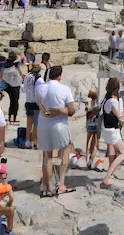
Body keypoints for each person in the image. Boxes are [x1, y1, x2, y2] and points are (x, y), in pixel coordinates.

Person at [37, 65, 76, 197]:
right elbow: (71, 111)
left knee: (47, 157)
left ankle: (47, 187)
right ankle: (61, 184)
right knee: (65, 153)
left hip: (43, 124)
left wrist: (46, 111)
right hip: (59, 124)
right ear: (60, 75)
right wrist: (59, 110)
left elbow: (40, 105)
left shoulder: (40, 88)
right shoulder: (64, 89)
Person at [99, 77, 124, 188]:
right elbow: (119, 116)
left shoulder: (106, 98)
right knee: (123, 153)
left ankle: (110, 173)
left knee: (112, 148)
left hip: (106, 129)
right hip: (112, 131)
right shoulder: (113, 101)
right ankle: (107, 176)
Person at [0, 52, 24, 125]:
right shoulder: (15, 65)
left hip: (8, 85)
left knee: (11, 101)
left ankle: (10, 117)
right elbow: (20, 73)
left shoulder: (5, 65)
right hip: (16, 86)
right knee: (15, 102)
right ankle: (14, 119)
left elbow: (1, 75)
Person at [23, 63, 44, 149]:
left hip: (28, 101)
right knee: (36, 124)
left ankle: (27, 142)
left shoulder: (27, 77)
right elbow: (40, 92)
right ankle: (35, 142)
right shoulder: (39, 80)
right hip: (36, 103)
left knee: (28, 124)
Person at [85, 89, 100, 169]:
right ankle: (91, 159)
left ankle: (86, 160)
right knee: (95, 143)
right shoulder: (98, 103)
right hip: (97, 124)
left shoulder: (88, 101)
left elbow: (87, 110)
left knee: (87, 143)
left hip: (89, 123)